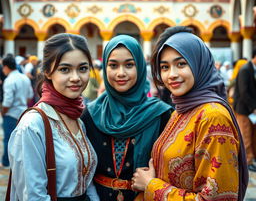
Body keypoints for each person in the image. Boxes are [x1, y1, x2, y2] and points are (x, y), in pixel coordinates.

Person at [132, 26, 248, 201]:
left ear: (198, 63)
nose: (172, 74)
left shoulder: (213, 117)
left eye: (181, 64)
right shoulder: (182, 110)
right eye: (164, 67)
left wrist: (151, 186)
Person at [8, 33, 99, 200]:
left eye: (83, 68)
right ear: (48, 72)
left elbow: (87, 181)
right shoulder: (33, 125)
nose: (76, 78)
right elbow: (33, 196)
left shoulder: (78, 118)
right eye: (65, 69)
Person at [82, 35, 172, 200]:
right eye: (113, 65)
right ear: (105, 68)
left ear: (140, 67)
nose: (121, 73)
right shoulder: (91, 114)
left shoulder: (161, 114)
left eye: (129, 65)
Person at [1, 55, 33, 168]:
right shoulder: (24, 78)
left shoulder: (9, 80)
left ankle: (6, 162)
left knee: (8, 139)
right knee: (20, 140)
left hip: (11, 113)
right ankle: (19, 161)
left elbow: (7, 101)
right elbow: (30, 96)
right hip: (23, 113)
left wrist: (3, 112)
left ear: (5, 67)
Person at [233, 48, 256, 172]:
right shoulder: (245, 70)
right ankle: (248, 161)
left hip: (251, 109)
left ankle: (252, 158)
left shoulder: (252, 69)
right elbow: (243, 92)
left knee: (252, 134)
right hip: (244, 108)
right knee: (246, 135)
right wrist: (253, 108)